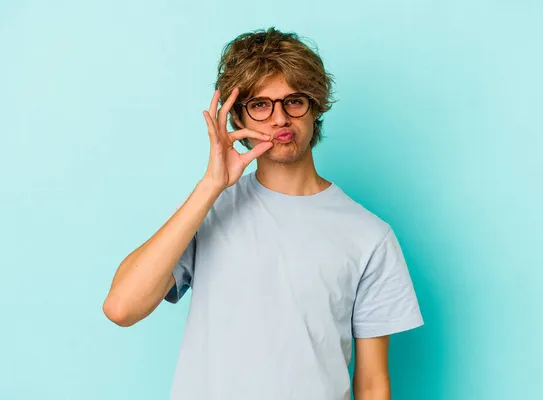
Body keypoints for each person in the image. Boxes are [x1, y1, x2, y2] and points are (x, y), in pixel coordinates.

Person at [103, 27, 424, 400]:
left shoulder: (370, 236)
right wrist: (210, 187)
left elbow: (372, 384)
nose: (280, 119)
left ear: (314, 106)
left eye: (294, 101)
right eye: (260, 104)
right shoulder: (210, 209)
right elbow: (121, 308)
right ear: (238, 117)